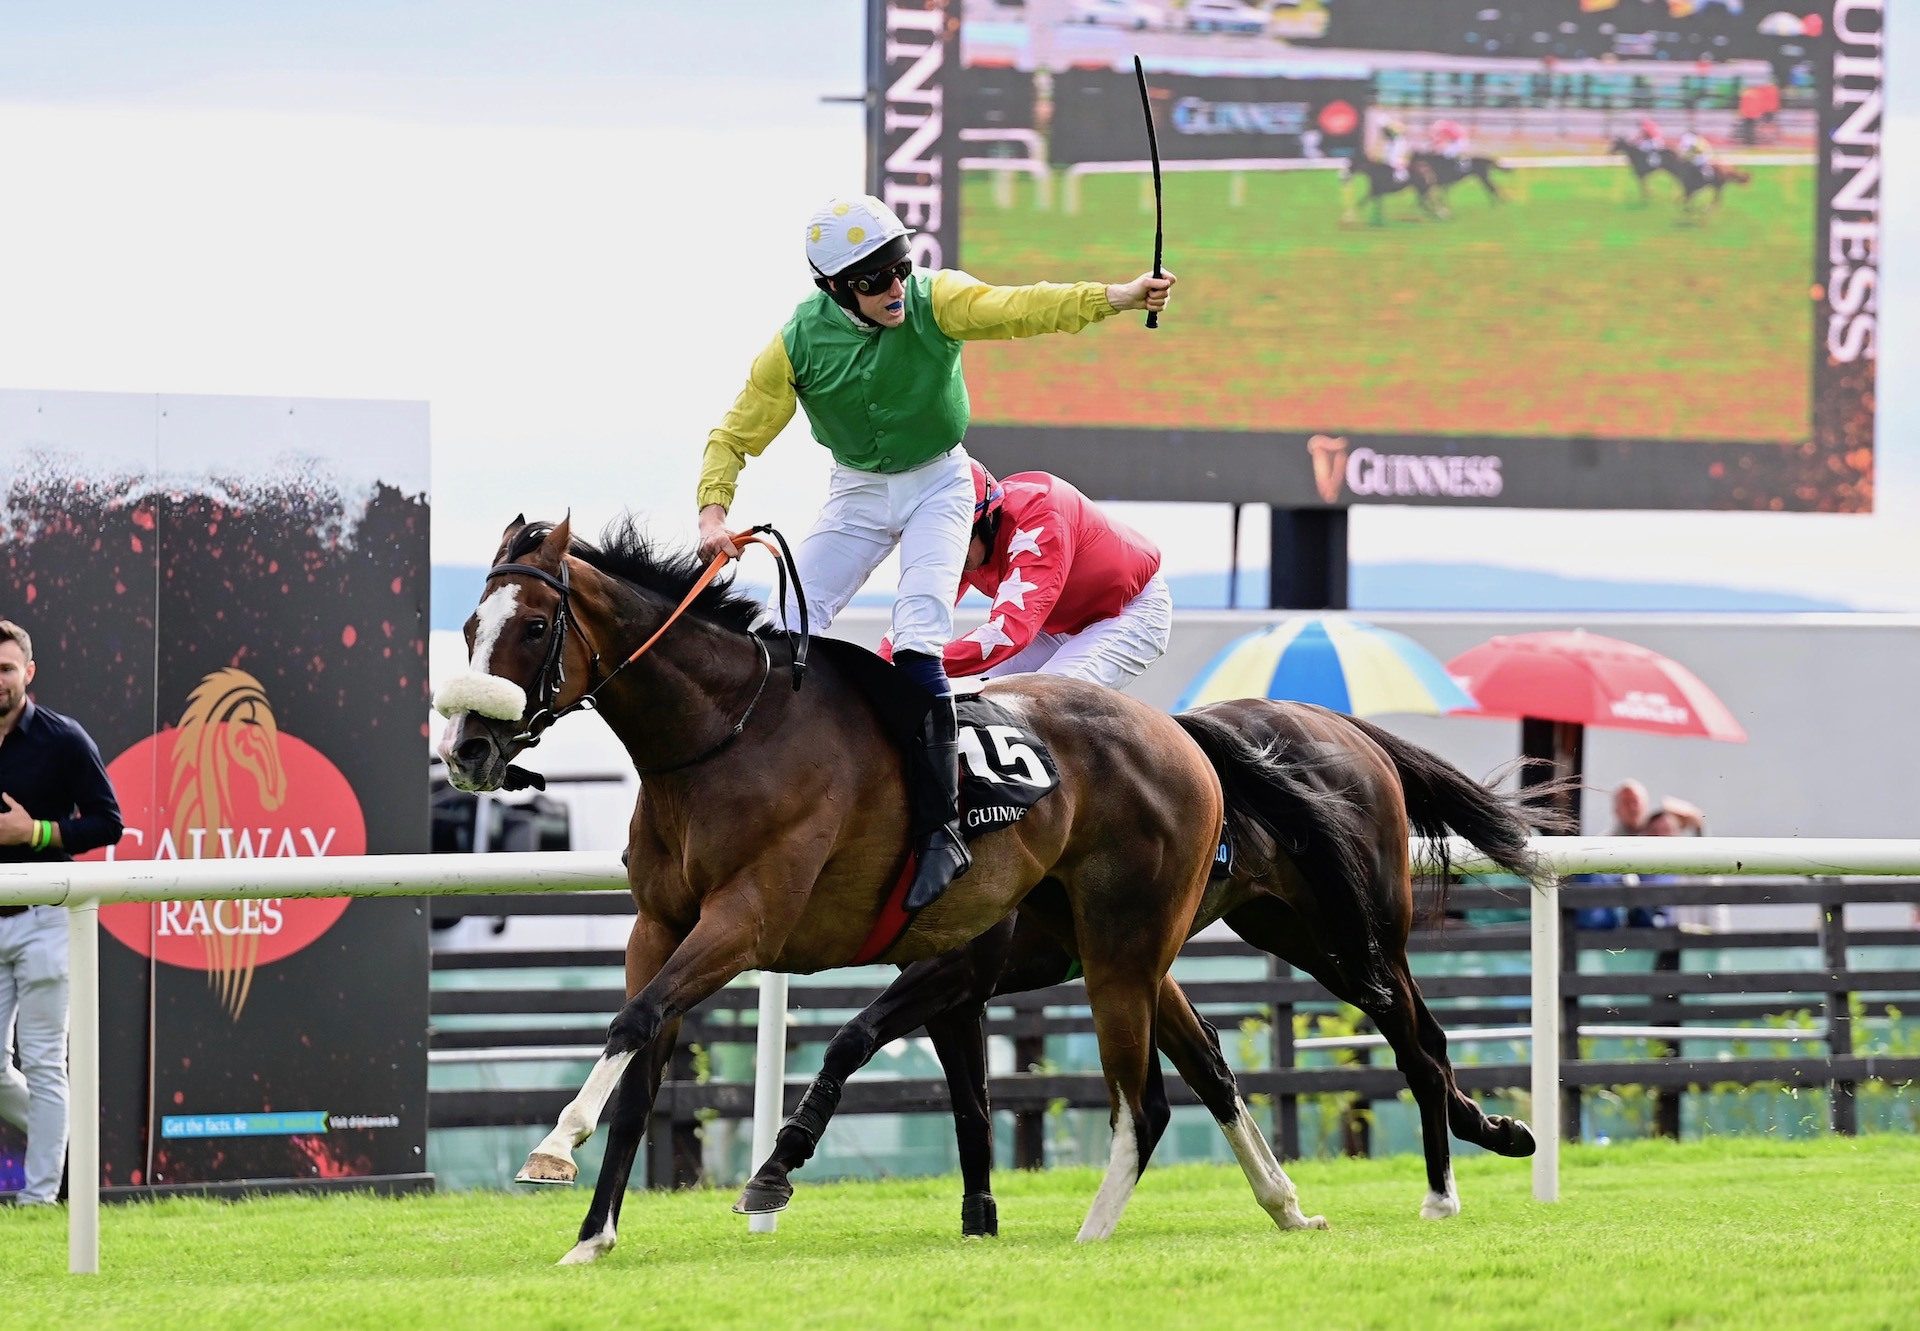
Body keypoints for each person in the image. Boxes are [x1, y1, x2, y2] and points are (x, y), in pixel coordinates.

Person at [695, 194, 1174, 912]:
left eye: (901, 266)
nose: (896, 287)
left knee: (921, 634)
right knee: (779, 625)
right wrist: (712, 514)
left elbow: (1021, 308)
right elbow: (735, 435)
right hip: (856, 491)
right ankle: (748, 785)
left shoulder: (935, 298)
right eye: (875, 279)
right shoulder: (796, 342)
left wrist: (1120, 295)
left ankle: (940, 829)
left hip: (940, 484)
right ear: (833, 290)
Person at [0, 619, 124, 1206]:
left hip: (48, 917)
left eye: (5, 669)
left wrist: (36, 832)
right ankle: (68, 1141)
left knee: (46, 1063)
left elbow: (108, 823)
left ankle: (40, 1197)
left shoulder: (65, 738)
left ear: (29, 672)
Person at [882, 462, 1172, 690]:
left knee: (1047, 704)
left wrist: (917, 664)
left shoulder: (1039, 519)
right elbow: (917, 613)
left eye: (956, 540)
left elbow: (1008, 632)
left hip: (1128, 613)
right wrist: (879, 664)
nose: (949, 555)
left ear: (989, 519)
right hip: (1051, 625)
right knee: (979, 699)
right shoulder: (964, 539)